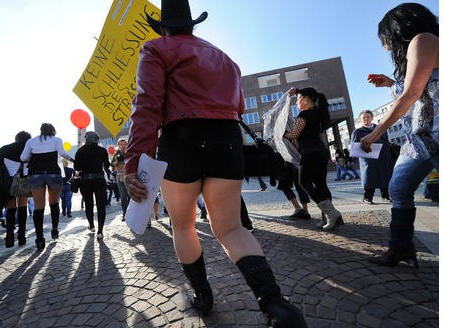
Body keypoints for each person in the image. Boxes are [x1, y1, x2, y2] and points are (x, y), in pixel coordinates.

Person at [123, 1, 308, 326]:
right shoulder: (225, 59)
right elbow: (237, 105)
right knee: (231, 228)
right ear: (192, 25)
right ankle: (277, 306)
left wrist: (133, 163)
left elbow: (147, 105)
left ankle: (202, 296)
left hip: (181, 139)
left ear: (162, 27)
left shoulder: (155, 49)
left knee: (183, 225)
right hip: (226, 139)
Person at [362, 3, 438, 268]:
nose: (384, 46)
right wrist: (391, 83)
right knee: (398, 189)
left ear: (397, 30)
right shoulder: (417, 48)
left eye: (384, 39)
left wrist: (376, 132)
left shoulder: (423, 39)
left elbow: (412, 94)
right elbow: (417, 92)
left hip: (438, 135)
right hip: (420, 140)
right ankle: (401, 248)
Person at [284, 87, 343, 230]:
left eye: (298, 98)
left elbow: (294, 135)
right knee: (321, 184)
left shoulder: (303, 114)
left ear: (306, 99)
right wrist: (298, 90)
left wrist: (283, 133)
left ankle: (331, 213)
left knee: (303, 182)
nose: (297, 102)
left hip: (310, 153)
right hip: (321, 152)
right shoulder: (317, 113)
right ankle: (329, 218)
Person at [21, 123, 74, 251]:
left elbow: (23, 157)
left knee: (38, 207)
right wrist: (73, 160)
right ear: (52, 131)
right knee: (54, 202)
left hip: (36, 174)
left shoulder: (31, 141)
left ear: (40, 130)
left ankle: (39, 238)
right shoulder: (56, 140)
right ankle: (54, 229)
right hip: (53, 173)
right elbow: (63, 154)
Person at [0, 131, 32, 247]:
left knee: (10, 206)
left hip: (8, 181)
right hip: (24, 179)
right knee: (23, 206)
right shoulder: (30, 149)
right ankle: (21, 236)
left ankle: (9, 235)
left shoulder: (5, 148)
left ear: (16, 138)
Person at [74, 131, 111, 241]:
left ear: (86, 139)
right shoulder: (102, 150)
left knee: (88, 204)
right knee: (101, 206)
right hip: (99, 179)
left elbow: (77, 167)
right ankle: (100, 231)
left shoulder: (80, 151)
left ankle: (91, 226)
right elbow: (107, 165)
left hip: (85, 181)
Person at [352, 110, 392, 204]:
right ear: (360, 120)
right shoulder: (357, 132)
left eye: (368, 117)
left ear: (372, 118)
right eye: (363, 117)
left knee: (384, 176)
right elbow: (354, 146)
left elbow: (386, 141)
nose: (366, 119)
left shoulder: (380, 129)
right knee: (369, 178)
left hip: (382, 156)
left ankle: (386, 195)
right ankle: (367, 197)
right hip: (368, 159)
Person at [111, 138, 130, 221]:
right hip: (120, 179)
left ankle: (131, 214)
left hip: (129, 178)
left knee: (130, 197)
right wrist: (116, 162)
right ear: (118, 145)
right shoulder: (116, 154)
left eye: (124, 144)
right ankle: (125, 214)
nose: (122, 145)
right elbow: (112, 166)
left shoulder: (130, 152)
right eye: (121, 144)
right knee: (123, 198)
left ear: (126, 144)